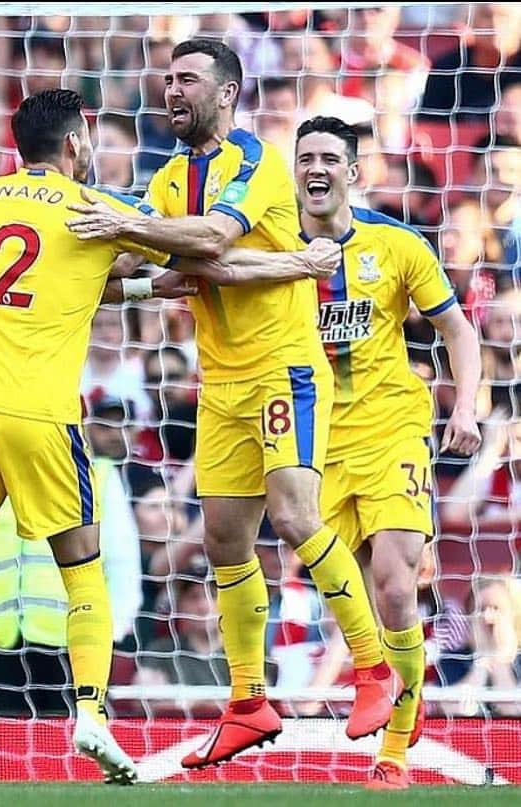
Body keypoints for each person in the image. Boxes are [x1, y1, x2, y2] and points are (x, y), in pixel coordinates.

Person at [0, 87, 340, 787]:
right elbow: (206, 259)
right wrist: (297, 264)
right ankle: (91, 713)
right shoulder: (96, 212)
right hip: (39, 412)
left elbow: (57, 282)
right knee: (82, 570)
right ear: (78, 143)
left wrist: (139, 291)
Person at [66, 38, 399, 768]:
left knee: (294, 513)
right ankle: (248, 701)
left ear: (226, 94)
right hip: (220, 382)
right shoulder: (168, 177)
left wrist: (131, 229)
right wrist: (114, 240)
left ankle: (376, 668)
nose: (171, 90)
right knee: (222, 542)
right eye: (166, 79)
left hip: (284, 370)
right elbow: (150, 256)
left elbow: (210, 238)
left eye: (187, 79)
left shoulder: (256, 160)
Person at [293, 116, 481, 789]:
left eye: (329, 159)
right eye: (305, 157)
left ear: (354, 172)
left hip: (391, 427)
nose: (316, 168)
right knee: (348, 597)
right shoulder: (272, 248)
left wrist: (463, 403)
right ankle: (382, 682)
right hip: (313, 447)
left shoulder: (397, 244)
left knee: (398, 584)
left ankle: (396, 747)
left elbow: (456, 329)